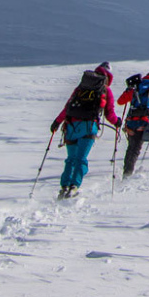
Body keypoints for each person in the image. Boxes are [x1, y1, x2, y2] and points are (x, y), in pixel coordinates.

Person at [50, 62, 121, 199]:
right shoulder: (106, 90)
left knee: (71, 158)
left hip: (71, 127)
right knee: (81, 158)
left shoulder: (81, 87)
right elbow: (109, 114)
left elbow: (68, 107)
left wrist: (57, 122)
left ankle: (64, 186)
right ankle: (74, 186)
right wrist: (117, 122)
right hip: (88, 127)